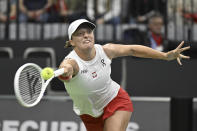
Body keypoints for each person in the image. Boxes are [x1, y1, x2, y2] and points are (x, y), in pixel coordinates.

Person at [58, 19, 190, 131]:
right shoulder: (72, 62)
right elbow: (67, 68)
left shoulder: (106, 50)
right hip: (89, 114)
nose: (86, 35)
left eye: (89, 32)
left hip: (115, 100)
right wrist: (65, 72)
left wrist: (165, 56)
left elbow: (132, 49)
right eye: (80, 34)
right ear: (71, 42)